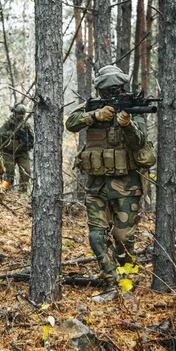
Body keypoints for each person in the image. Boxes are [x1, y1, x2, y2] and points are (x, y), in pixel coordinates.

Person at [65, 65, 147, 302]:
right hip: (97, 186)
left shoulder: (132, 111)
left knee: (123, 238)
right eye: (107, 89)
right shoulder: (92, 106)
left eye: (116, 89)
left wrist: (127, 125)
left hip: (126, 186)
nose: (112, 93)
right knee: (96, 236)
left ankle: (127, 280)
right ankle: (111, 283)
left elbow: (140, 141)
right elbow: (70, 123)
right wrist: (94, 116)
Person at [0, 103, 34, 194]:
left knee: (27, 172)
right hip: (8, 152)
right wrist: (13, 133)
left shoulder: (26, 125)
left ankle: (22, 192)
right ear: (14, 113)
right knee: (8, 175)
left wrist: (27, 141)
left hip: (22, 152)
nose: (21, 116)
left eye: (23, 114)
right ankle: (4, 191)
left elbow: (31, 139)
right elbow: (1, 134)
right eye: (19, 114)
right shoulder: (8, 123)